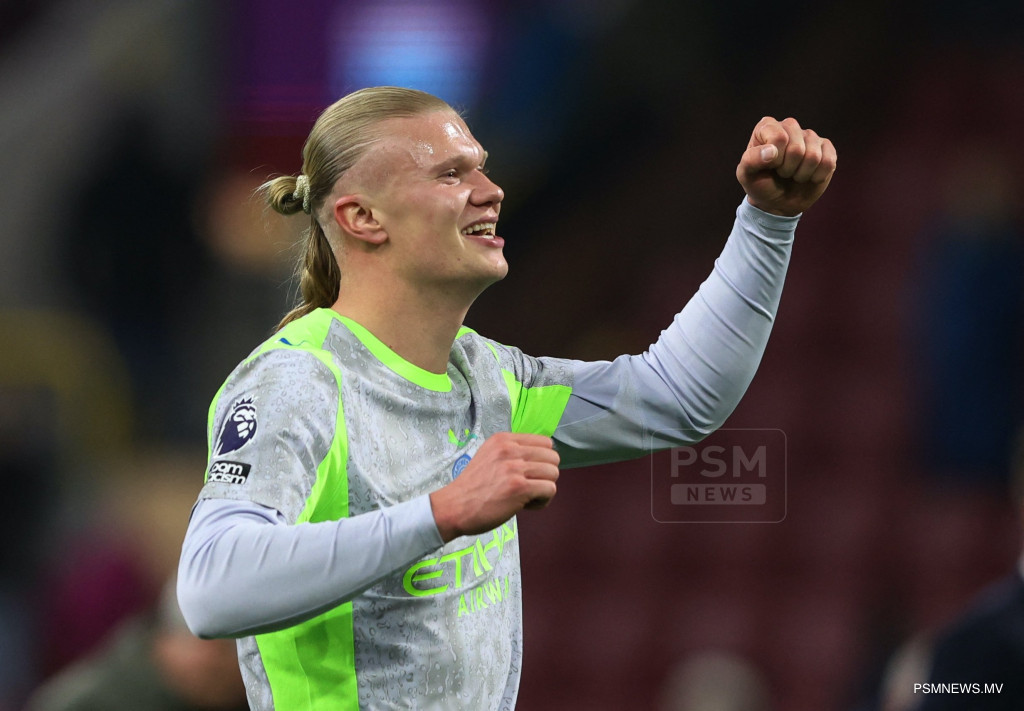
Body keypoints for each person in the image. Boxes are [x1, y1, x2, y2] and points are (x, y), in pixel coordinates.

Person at [176, 86, 836, 710]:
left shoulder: (489, 377)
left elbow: (676, 396)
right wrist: (443, 511)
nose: (491, 191)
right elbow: (210, 588)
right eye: (450, 174)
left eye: (482, 168)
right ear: (363, 217)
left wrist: (768, 222)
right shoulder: (299, 381)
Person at [25, 577, 247, 711]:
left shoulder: (250, 697)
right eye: (222, 649)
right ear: (167, 638)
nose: (233, 668)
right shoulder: (84, 703)